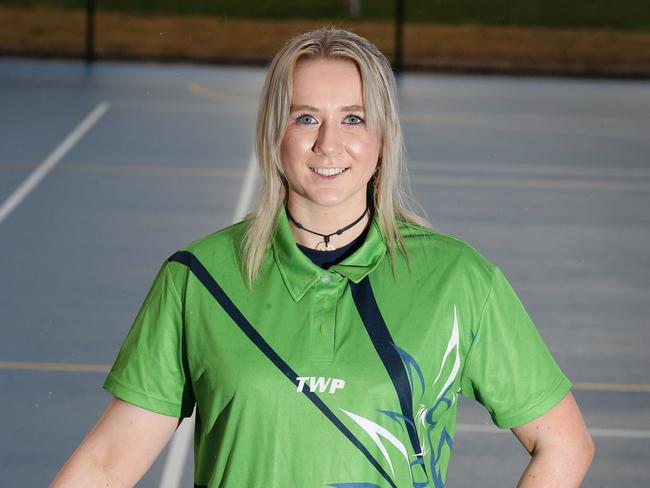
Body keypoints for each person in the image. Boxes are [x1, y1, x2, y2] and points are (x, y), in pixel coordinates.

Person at [51, 27, 594, 488]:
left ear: (383, 138)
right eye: (306, 118)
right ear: (274, 134)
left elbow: (564, 443)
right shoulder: (199, 279)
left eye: (354, 119)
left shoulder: (458, 280)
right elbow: (105, 467)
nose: (329, 144)